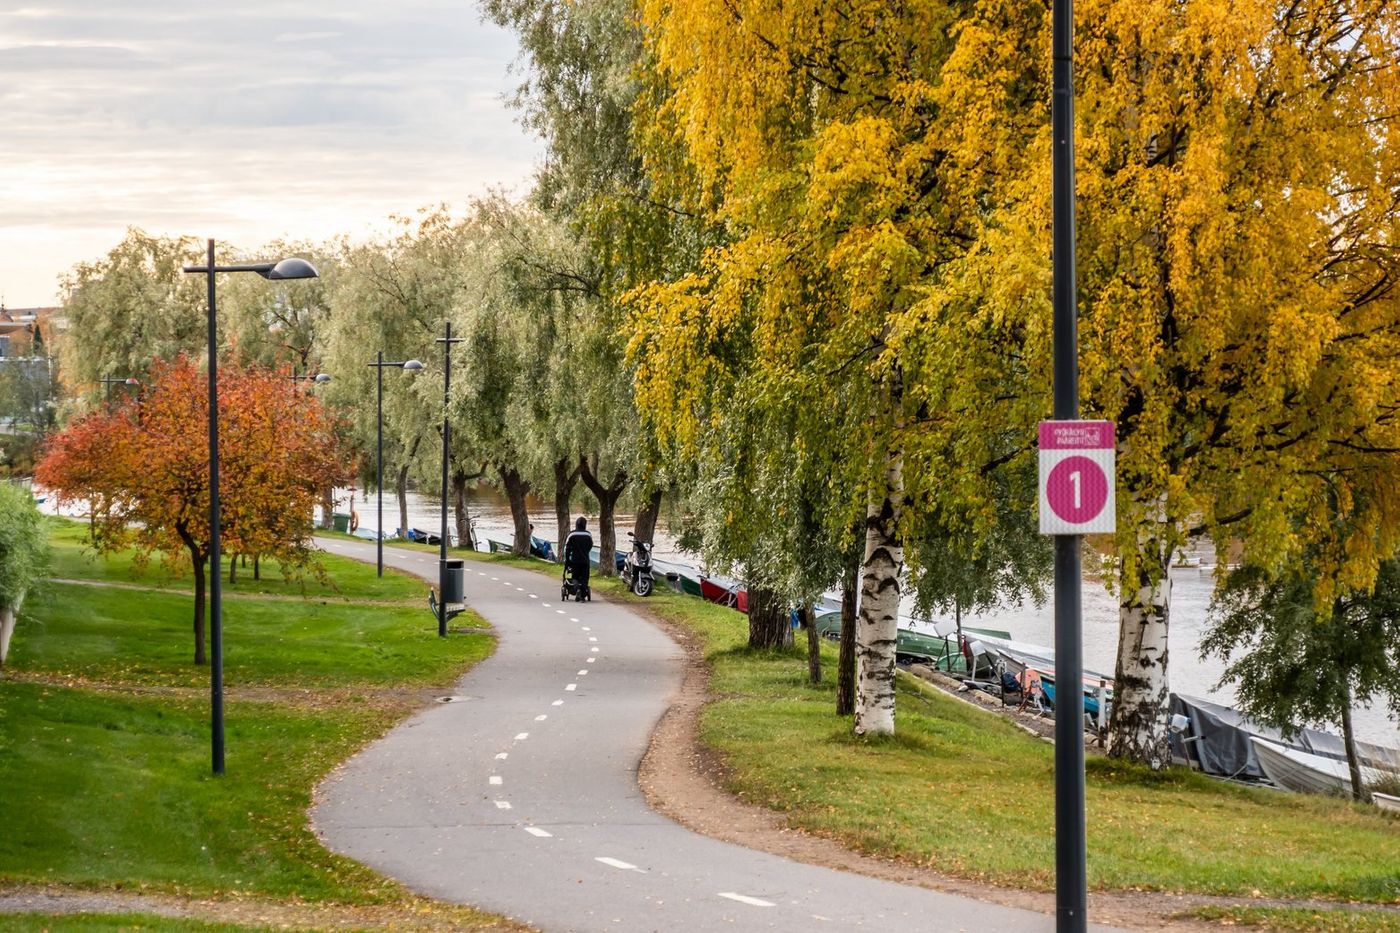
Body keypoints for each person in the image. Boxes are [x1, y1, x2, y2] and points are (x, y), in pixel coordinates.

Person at [562, 516, 594, 590]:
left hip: (575, 560)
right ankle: (583, 592)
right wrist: (585, 552)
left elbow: (567, 548)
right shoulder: (588, 535)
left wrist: (567, 560)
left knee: (575, 576)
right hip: (585, 559)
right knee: (585, 577)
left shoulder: (572, 535)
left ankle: (575, 585)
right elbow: (590, 545)